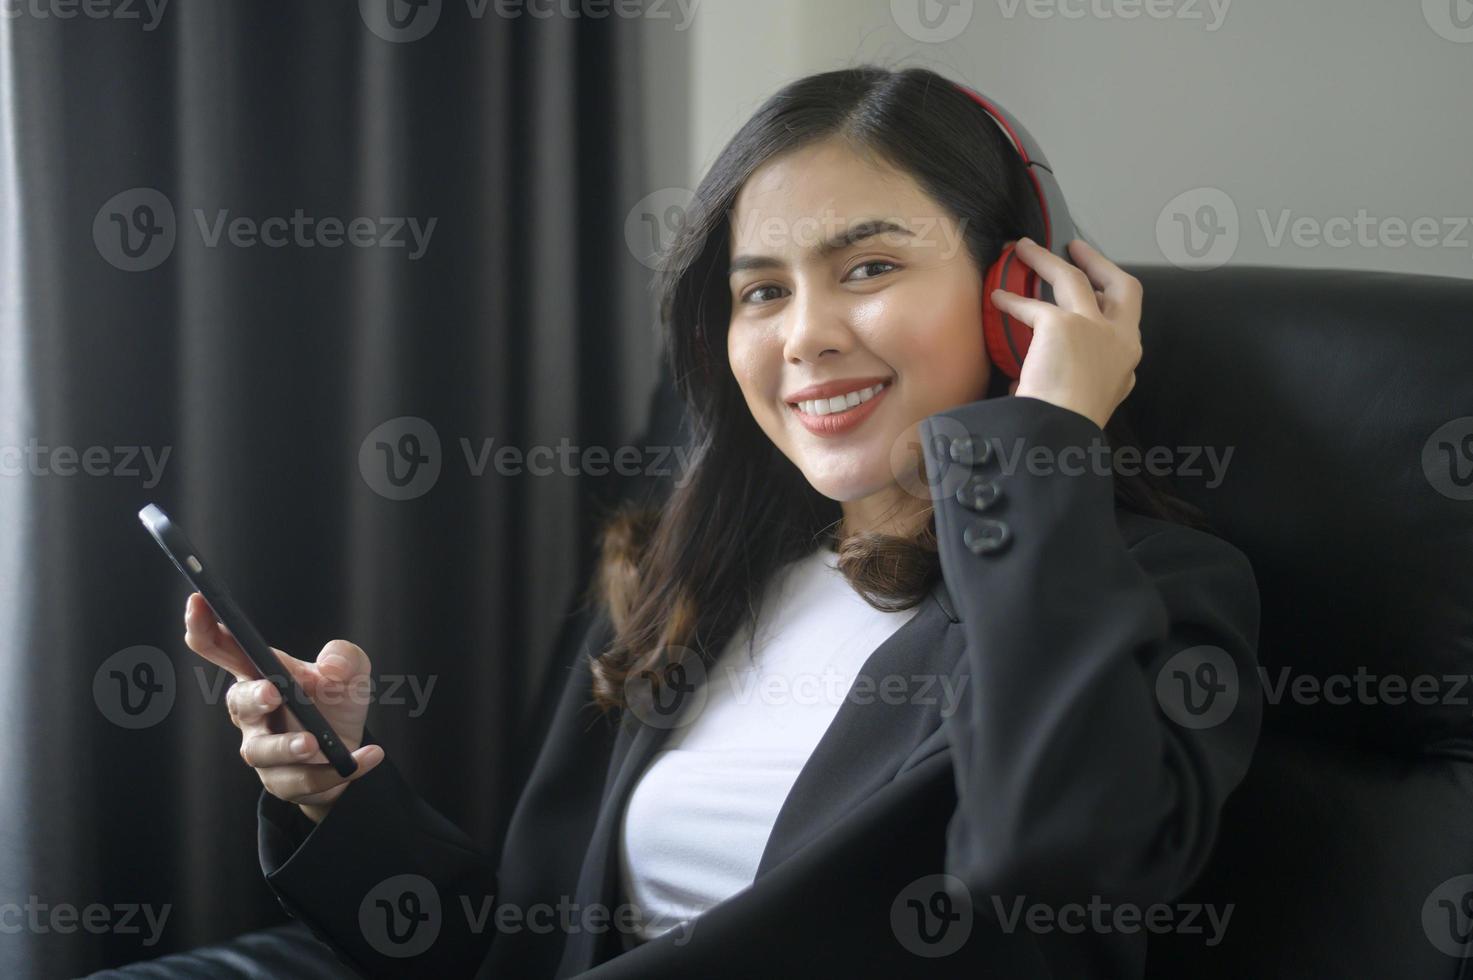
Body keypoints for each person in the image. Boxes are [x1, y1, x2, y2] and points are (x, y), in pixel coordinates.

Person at [183, 64, 1262, 979]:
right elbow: (516, 946)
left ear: (1016, 290)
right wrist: (336, 799)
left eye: (870, 267)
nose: (805, 335)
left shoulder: (1152, 586)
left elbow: (1050, 881)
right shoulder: (697, 569)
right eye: (761, 292)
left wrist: (1044, 447)